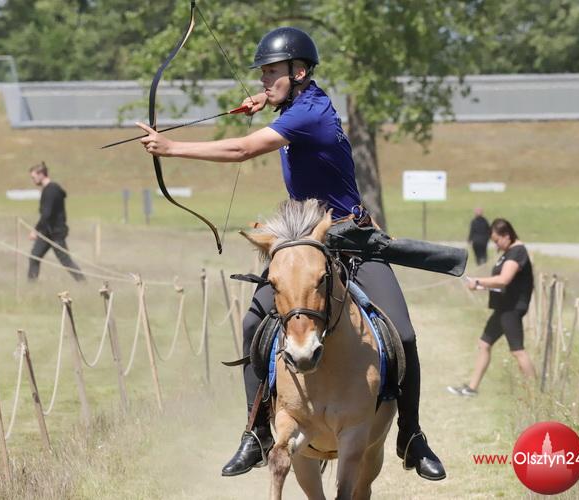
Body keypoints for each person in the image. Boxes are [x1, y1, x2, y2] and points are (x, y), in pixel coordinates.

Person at [136, 27, 446, 481]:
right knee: (252, 324)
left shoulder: (309, 114)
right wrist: (268, 100)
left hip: (352, 239)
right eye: (262, 74)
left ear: (298, 72)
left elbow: (242, 148)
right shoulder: (301, 105)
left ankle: (412, 436)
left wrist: (171, 147)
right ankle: (257, 433)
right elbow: (282, 115)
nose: (263, 80)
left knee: (404, 334)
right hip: (304, 244)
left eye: (271, 73)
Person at [448, 218, 536, 397]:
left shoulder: (517, 252)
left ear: (507, 235)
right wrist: (480, 286)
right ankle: (472, 388)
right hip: (503, 308)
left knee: (518, 351)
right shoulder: (509, 252)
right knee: (484, 344)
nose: (496, 245)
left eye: (497, 241)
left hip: (511, 309)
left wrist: (478, 281)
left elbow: (504, 280)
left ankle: (535, 394)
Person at [27, 162, 85, 282]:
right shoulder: (48, 190)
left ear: (41, 174)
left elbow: (46, 213)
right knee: (34, 256)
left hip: (55, 233)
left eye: (34, 177)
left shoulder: (51, 190)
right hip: (47, 232)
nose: (33, 180)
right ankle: (31, 286)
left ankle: (83, 282)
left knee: (65, 260)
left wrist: (35, 230)